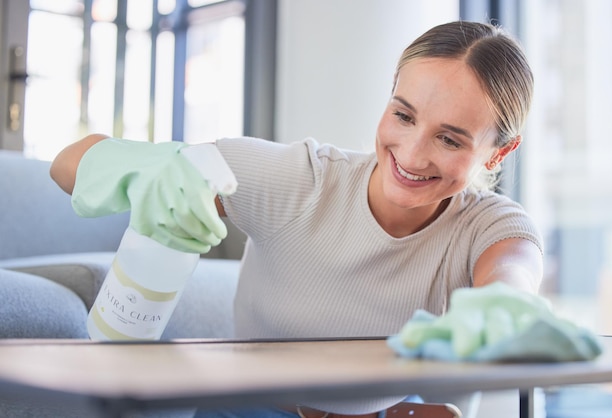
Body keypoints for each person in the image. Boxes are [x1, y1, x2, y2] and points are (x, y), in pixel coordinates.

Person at [51, 20, 543, 418]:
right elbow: (68, 162)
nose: (412, 155)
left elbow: (512, 278)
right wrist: (152, 172)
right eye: (404, 115)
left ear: (499, 152)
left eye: (451, 139)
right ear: (390, 95)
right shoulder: (303, 182)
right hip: (252, 409)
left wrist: (503, 307)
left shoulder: (487, 226)